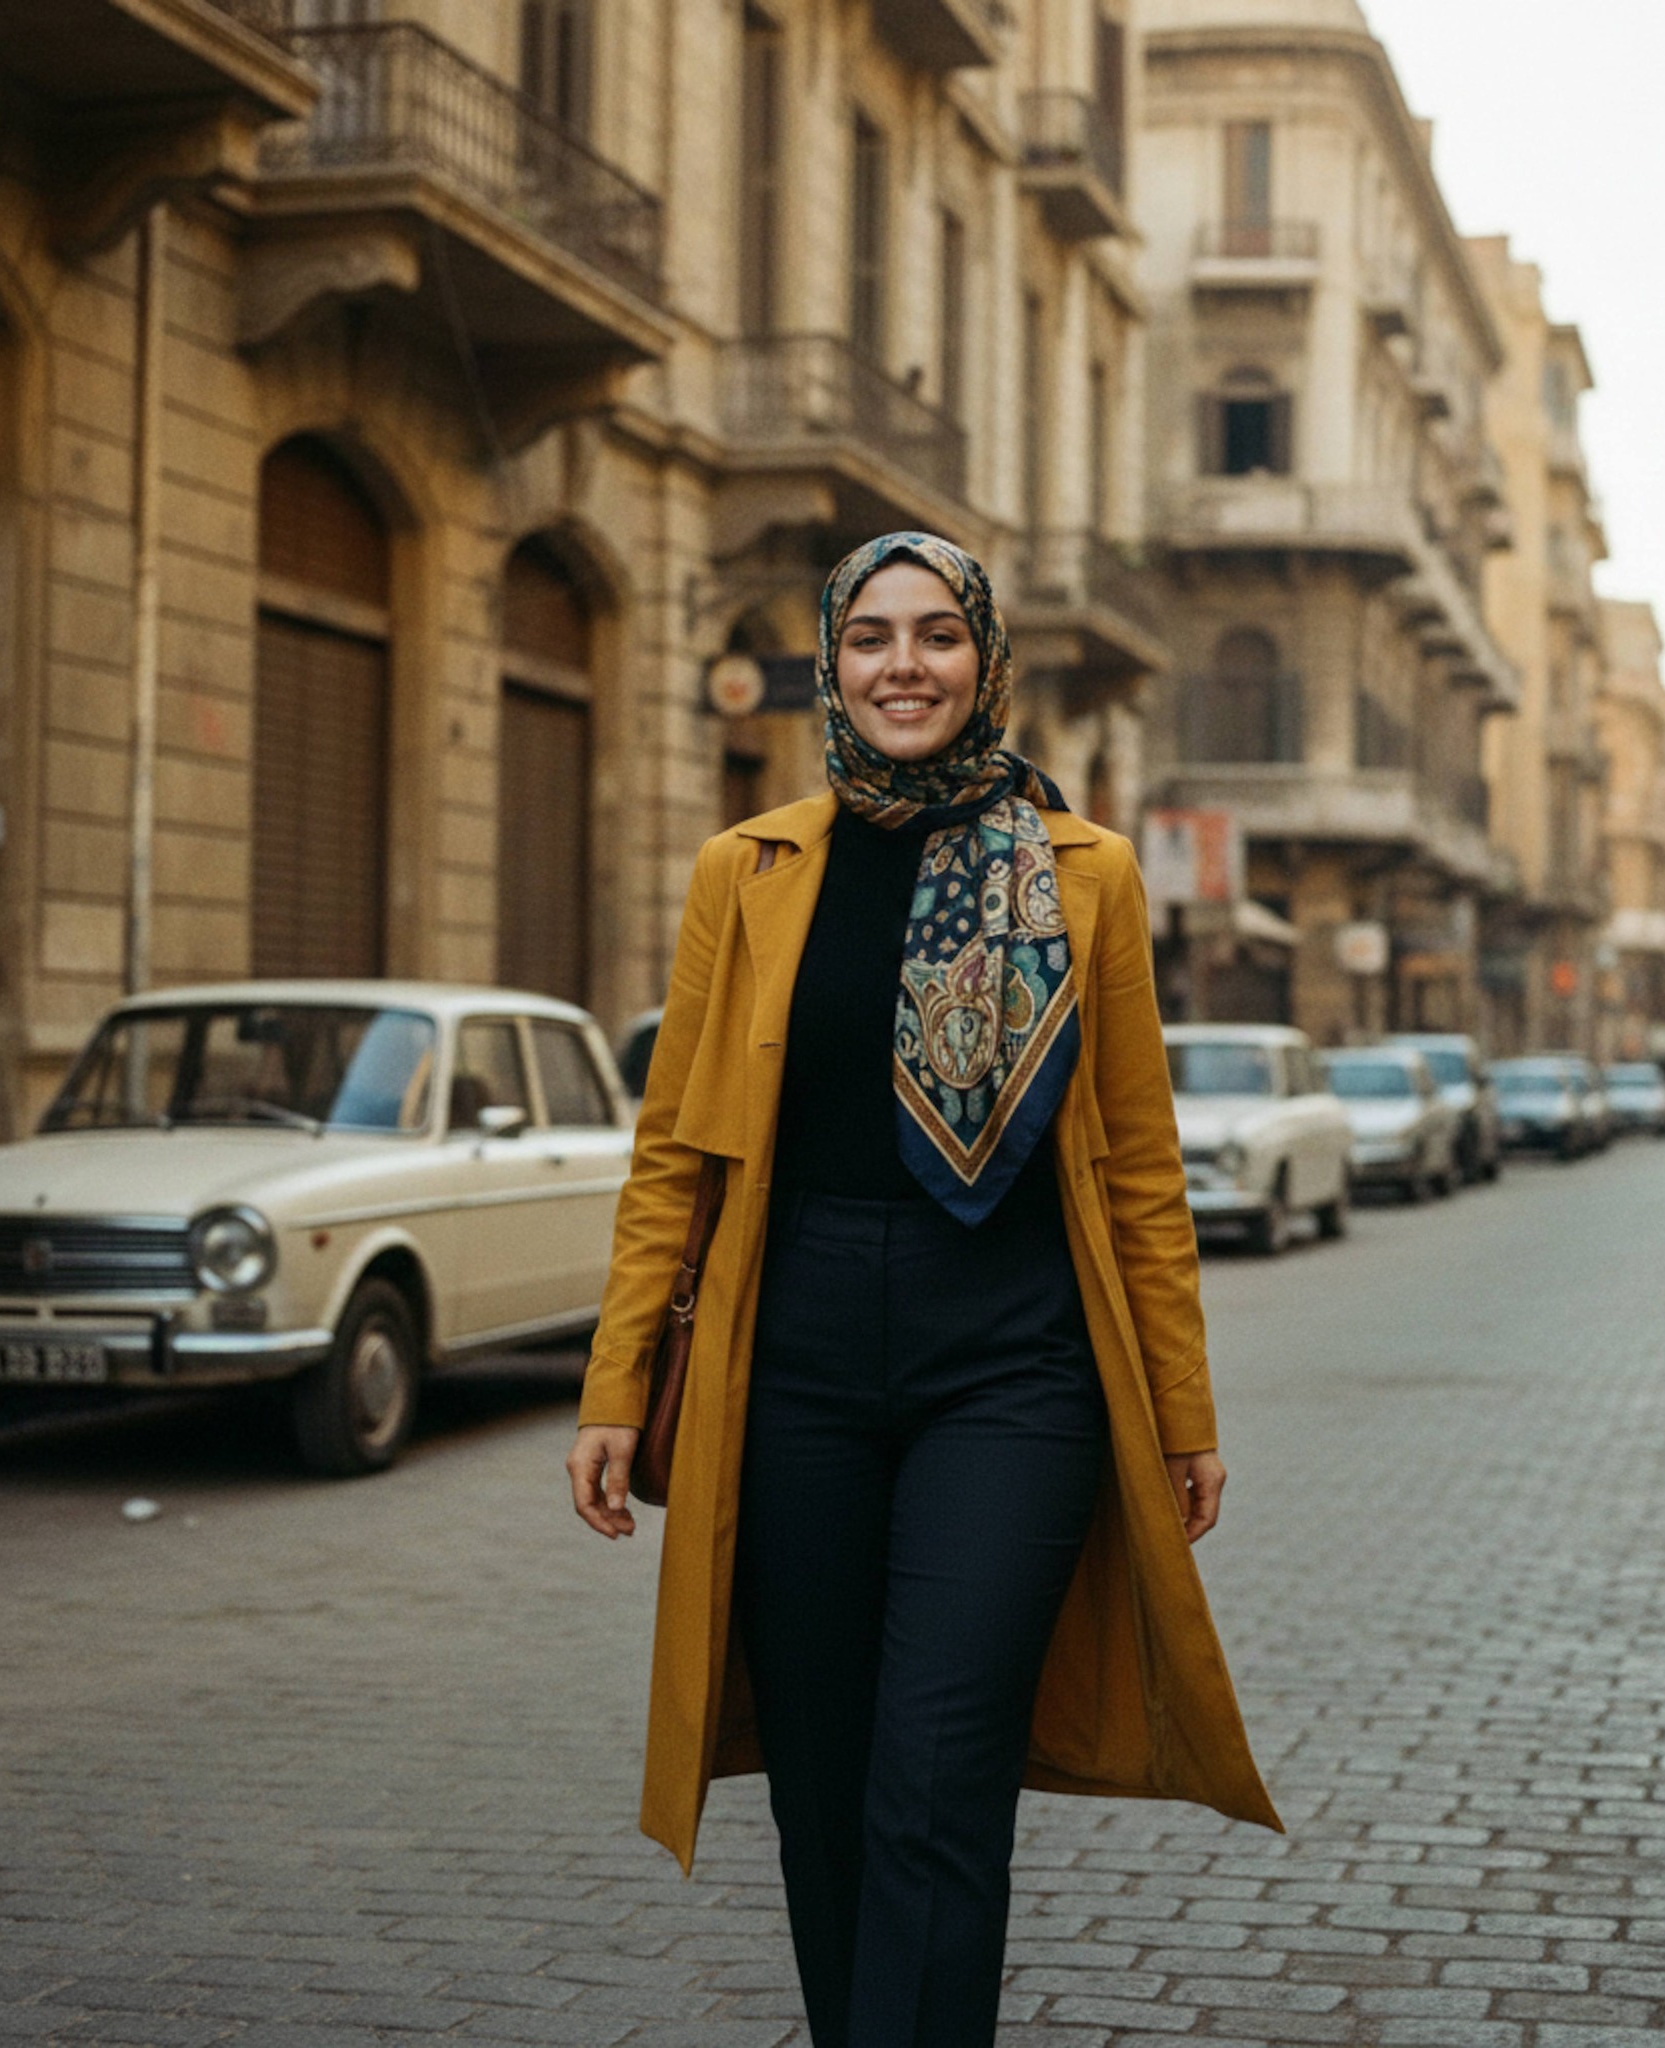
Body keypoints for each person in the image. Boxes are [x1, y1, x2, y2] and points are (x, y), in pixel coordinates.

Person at [567, 533, 1279, 2048]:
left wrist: (1178, 1409)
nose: (906, 665)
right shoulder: (743, 872)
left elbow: (1142, 1168)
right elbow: (673, 1161)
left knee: (941, 1770)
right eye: (873, 636)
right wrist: (616, 1387)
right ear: (831, 662)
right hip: (794, 1357)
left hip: (1012, 1364)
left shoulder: (1085, 875)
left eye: (938, 635)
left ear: (986, 660)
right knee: (823, 1778)